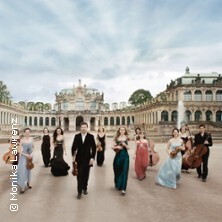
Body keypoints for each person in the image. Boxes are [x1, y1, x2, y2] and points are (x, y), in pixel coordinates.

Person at [71, 122, 96, 199]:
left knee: (86, 174)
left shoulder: (91, 136)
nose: (83, 128)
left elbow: (94, 148)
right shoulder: (77, 136)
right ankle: (79, 191)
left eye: (85, 127)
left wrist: (92, 158)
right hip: (79, 158)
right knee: (79, 175)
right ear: (80, 128)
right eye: (82, 127)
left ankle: (84, 188)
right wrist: (73, 155)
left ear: (87, 128)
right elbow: (73, 147)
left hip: (88, 158)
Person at [112, 126, 130, 195]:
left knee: (125, 171)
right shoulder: (116, 138)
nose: (122, 131)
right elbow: (112, 146)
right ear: (119, 131)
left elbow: (129, 148)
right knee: (117, 171)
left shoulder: (127, 138)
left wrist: (125, 145)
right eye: (121, 130)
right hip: (118, 157)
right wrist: (117, 147)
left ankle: (123, 188)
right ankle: (118, 184)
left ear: (125, 131)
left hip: (125, 157)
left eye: (123, 130)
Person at [17, 128, 34, 193]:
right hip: (24, 157)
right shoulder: (22, 140)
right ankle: (22, 187)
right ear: (24, 133)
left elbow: (33, 147)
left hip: (30, 157)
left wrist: (32, 154)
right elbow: (19, 150)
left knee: (29, 170)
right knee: (23, 171)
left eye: (28, 132)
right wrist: (25, 154)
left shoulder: (31, 139)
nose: (27, 133)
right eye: (26, 132)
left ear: (30, 133)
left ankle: (28, 183)